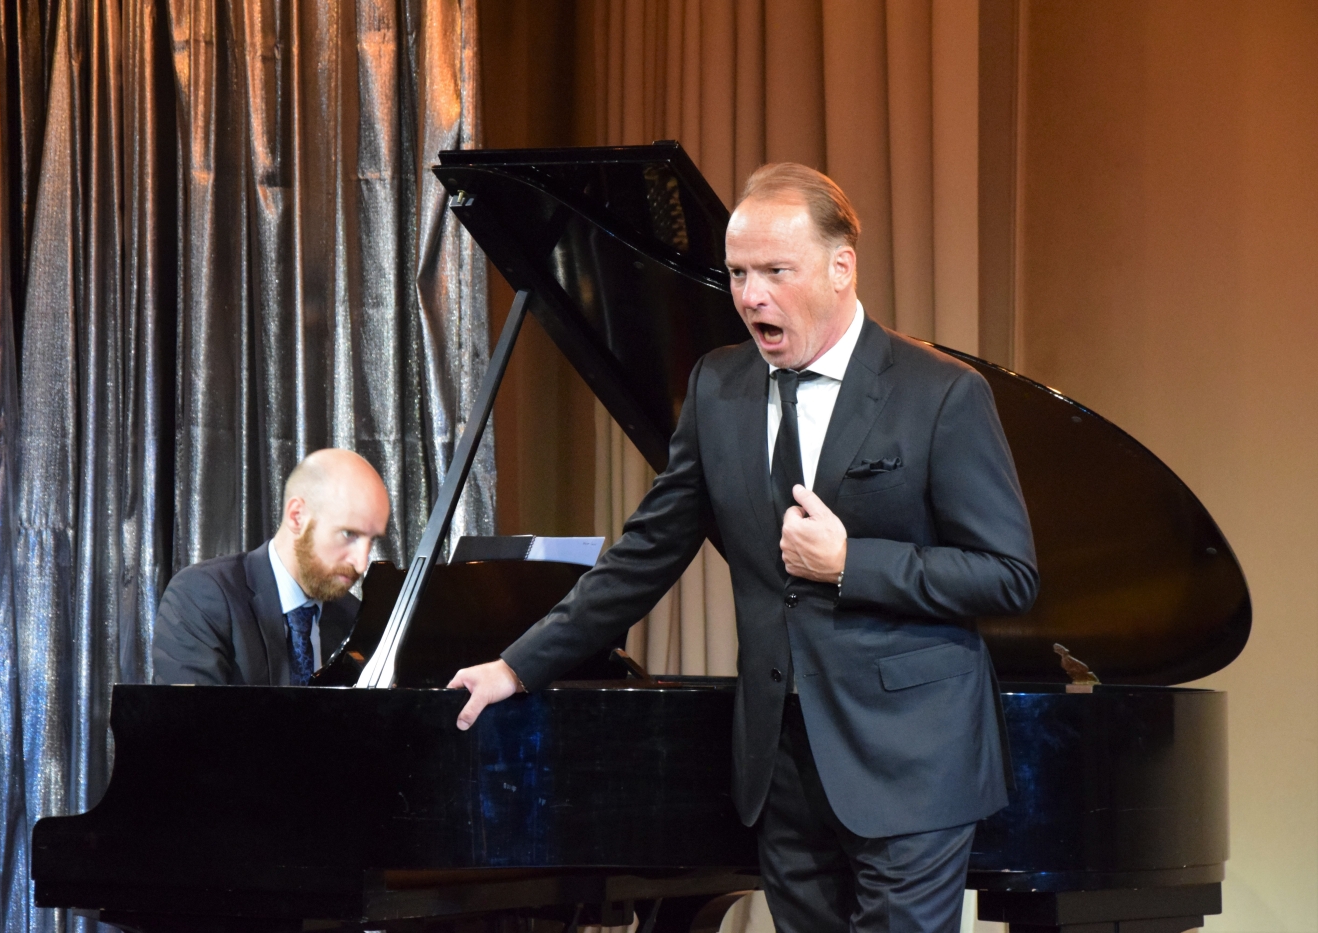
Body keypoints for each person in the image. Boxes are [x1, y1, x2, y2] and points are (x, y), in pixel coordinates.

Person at [447, 164, 1039, 932]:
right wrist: (517, 663)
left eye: (775, 271)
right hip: (779, 763)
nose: (751, 295)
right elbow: (646, 552)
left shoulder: (941, 393)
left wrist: (851, 563)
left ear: (841, 268)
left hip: (911, 760)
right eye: (737, 273)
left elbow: (1007, 574)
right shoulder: (718, 387)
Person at [153, 448, 391, 686]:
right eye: (348, 534)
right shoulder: (202, 597)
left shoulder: (352, 618)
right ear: (297, 516)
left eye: (371, 541)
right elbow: (190, 711)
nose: (361, 563)